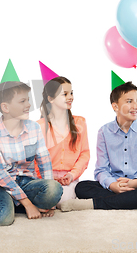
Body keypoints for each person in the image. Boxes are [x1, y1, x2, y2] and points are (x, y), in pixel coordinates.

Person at [61, 75, 137, 211]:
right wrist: (113, 185)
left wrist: (135, 182)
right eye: (129, 101)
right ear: (115, 106)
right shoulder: (104, 132)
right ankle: (132, 201)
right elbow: (101, 170)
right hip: (114, 186)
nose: (135, 106)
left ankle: (95, 204)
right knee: (82, 187)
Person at [0, 60, 62, 226]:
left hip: (26, 182)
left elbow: (44, 161)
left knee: (54, 189)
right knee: (3, 218)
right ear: (5, 107)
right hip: (0, 185)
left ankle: (14, 203)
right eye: (22, 101)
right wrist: (28, 204)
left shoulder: (33, 128)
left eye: (28, 100)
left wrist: (49, 203)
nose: (29, 105)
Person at [37, 74, 90, 208]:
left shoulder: (80, 122)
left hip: (70, 178)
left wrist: (72, 175)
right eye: (65, 94)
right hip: (45, 178)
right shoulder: (39, 126)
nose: (70, 97)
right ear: (51, 99)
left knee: (63, 200)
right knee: (51, 195)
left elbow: (84, 154)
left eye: (71, 93)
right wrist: (48, 178)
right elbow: (33, 159)